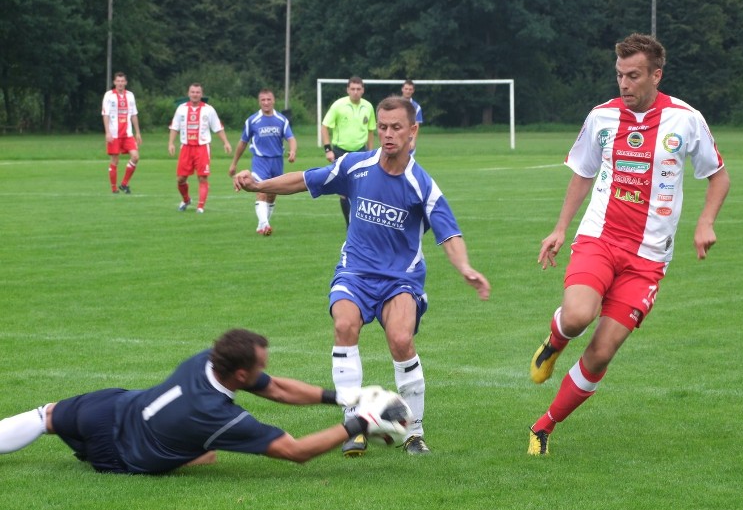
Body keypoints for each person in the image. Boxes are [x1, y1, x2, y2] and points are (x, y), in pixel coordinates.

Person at [234, 96, 491, 456]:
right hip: (354, 272)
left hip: (400, 279)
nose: (387, 134)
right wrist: (260, 183)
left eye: (396, 128)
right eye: (382, 127)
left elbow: (448, 232)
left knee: (401, 340)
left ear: (412, 131)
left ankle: (413, 431)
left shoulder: (421, 184)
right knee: (344, 326)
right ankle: (353, 422)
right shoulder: (355, 166)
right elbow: (305, 180)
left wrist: (464, 267)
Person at [527, 33, 731, 456]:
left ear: (656, 75)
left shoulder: (686, 119)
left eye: (633, 75)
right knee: (579, 315)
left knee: (602, 353)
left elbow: (718, 176)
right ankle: (555, 341)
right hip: (600, 238)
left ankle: (544, 427)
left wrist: (704, 223)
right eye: (619, 74)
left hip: (649, 259)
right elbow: (583, 172)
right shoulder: (602, 117)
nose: (624, 83)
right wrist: (560, 228)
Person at [0, 329, 407, 473]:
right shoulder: (220, 418)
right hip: (123, 455)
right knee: (205, 455)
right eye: (261, 364)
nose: (267, 370)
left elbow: (277, 388)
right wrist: (359, 422)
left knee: (46, 415)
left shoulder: (206, 361)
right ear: (240, 376)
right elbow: (295, 452)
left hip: (110, 408)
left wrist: (343, 396)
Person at [228, 89, 298, 236]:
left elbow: (291, 138)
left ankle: (262, 225)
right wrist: (234, 163)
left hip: (277, 161)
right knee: (260, 191)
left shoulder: (281, 120)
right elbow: (242, 143)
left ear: (273, 101)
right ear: (259, 102)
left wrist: (293, 151)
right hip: (260, 161)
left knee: (272, 194)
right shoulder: (252, 121)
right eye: (263, 100)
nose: (266, 102)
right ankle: (265, 225)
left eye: (268, 99)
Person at [168, 83, 232, 214]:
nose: (195, 94)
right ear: (188, 93)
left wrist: (225, 142)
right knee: (181, 179)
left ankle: (200, 207)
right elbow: (174, 127)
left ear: (201, 94)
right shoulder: (181, 109)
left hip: (202, 147)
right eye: (192, 92)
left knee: (202, 177)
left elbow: (217, 127)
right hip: (186, 147)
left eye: (197, 92)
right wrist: (171, 143)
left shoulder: (208, 110)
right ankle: (186, 200)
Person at [320, 76, 376, 226]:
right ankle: (349, 225)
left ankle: (359, 222)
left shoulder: (368, 107)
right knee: (344, 192)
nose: (356, 92)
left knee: (362, 189)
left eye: (358, 89)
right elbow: (324, 126)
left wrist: (371, 152)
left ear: (363, 90)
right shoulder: (338, 105)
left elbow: (371, 131)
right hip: (341, 152)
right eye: (353, 89)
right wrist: (328, 150)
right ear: (347, 90)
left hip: (361, 152)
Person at [102, 72, 142, 194]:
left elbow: (134, 114)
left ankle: (124, 184)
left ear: (125, 82)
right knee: (115, 160)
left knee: (135, 156)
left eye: (122, 81)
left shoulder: (130, 96)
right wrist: (107, 132)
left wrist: (138, 132)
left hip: (128, 134)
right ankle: (114, 188)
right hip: (114, 134)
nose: (120, 83)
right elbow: (105, 114)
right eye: (118, 81)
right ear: (114, 82)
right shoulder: (109, 95)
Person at [400, 79, 423, 155]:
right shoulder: (395, 104)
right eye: (406, 89)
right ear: (402, 89)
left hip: (408, 140)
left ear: (413, 91)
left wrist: (413, 141)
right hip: (397, 139)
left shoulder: (416, 107)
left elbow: (416, 125)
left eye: (410, 89)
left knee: (408, 165)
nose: (408, 91)